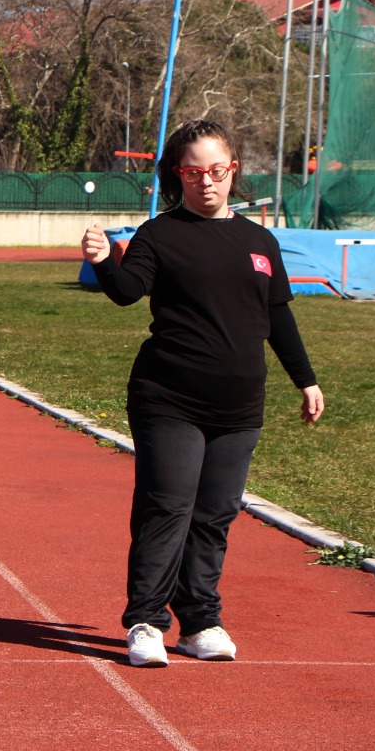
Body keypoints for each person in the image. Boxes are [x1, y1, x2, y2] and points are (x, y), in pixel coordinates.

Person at [82, 119, 324, 667]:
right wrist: (102, 260)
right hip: (169, 398)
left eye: (217, 170)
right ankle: (146, 620)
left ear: (233, 171)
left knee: (214, 515)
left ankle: (201, 621)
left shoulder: (259, 242)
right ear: (178, 175)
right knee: (167, 507)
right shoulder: (159, 235)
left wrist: (305, 380)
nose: (206, 182)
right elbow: (126, 293)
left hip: (240, 406)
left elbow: (277, 317)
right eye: (194, 172)